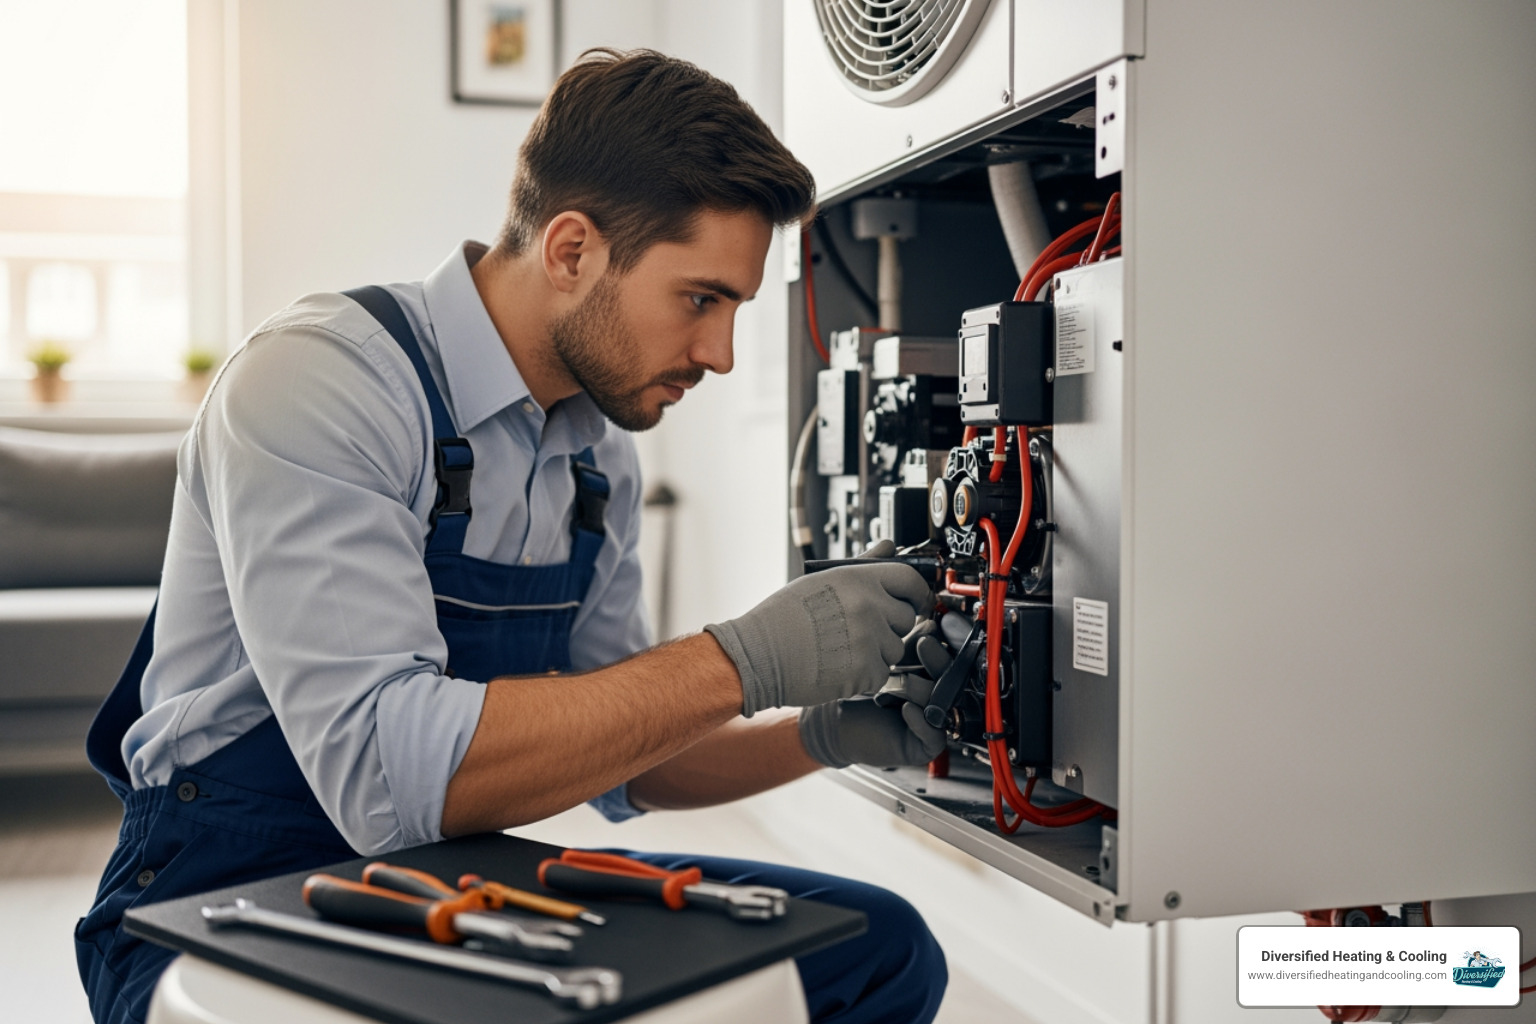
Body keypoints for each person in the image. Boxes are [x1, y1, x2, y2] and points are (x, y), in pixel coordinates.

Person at [75, 48, 949, 1024]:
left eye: (733, 310)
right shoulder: (322, 381)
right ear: (572, 250)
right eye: (700, 299)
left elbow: (631, 754)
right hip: (216, 897)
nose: (721, 354)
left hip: (452, 886)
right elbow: (380, 776)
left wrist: (820, 734)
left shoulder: (596, 456)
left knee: (878, 949)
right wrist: (741, 660)